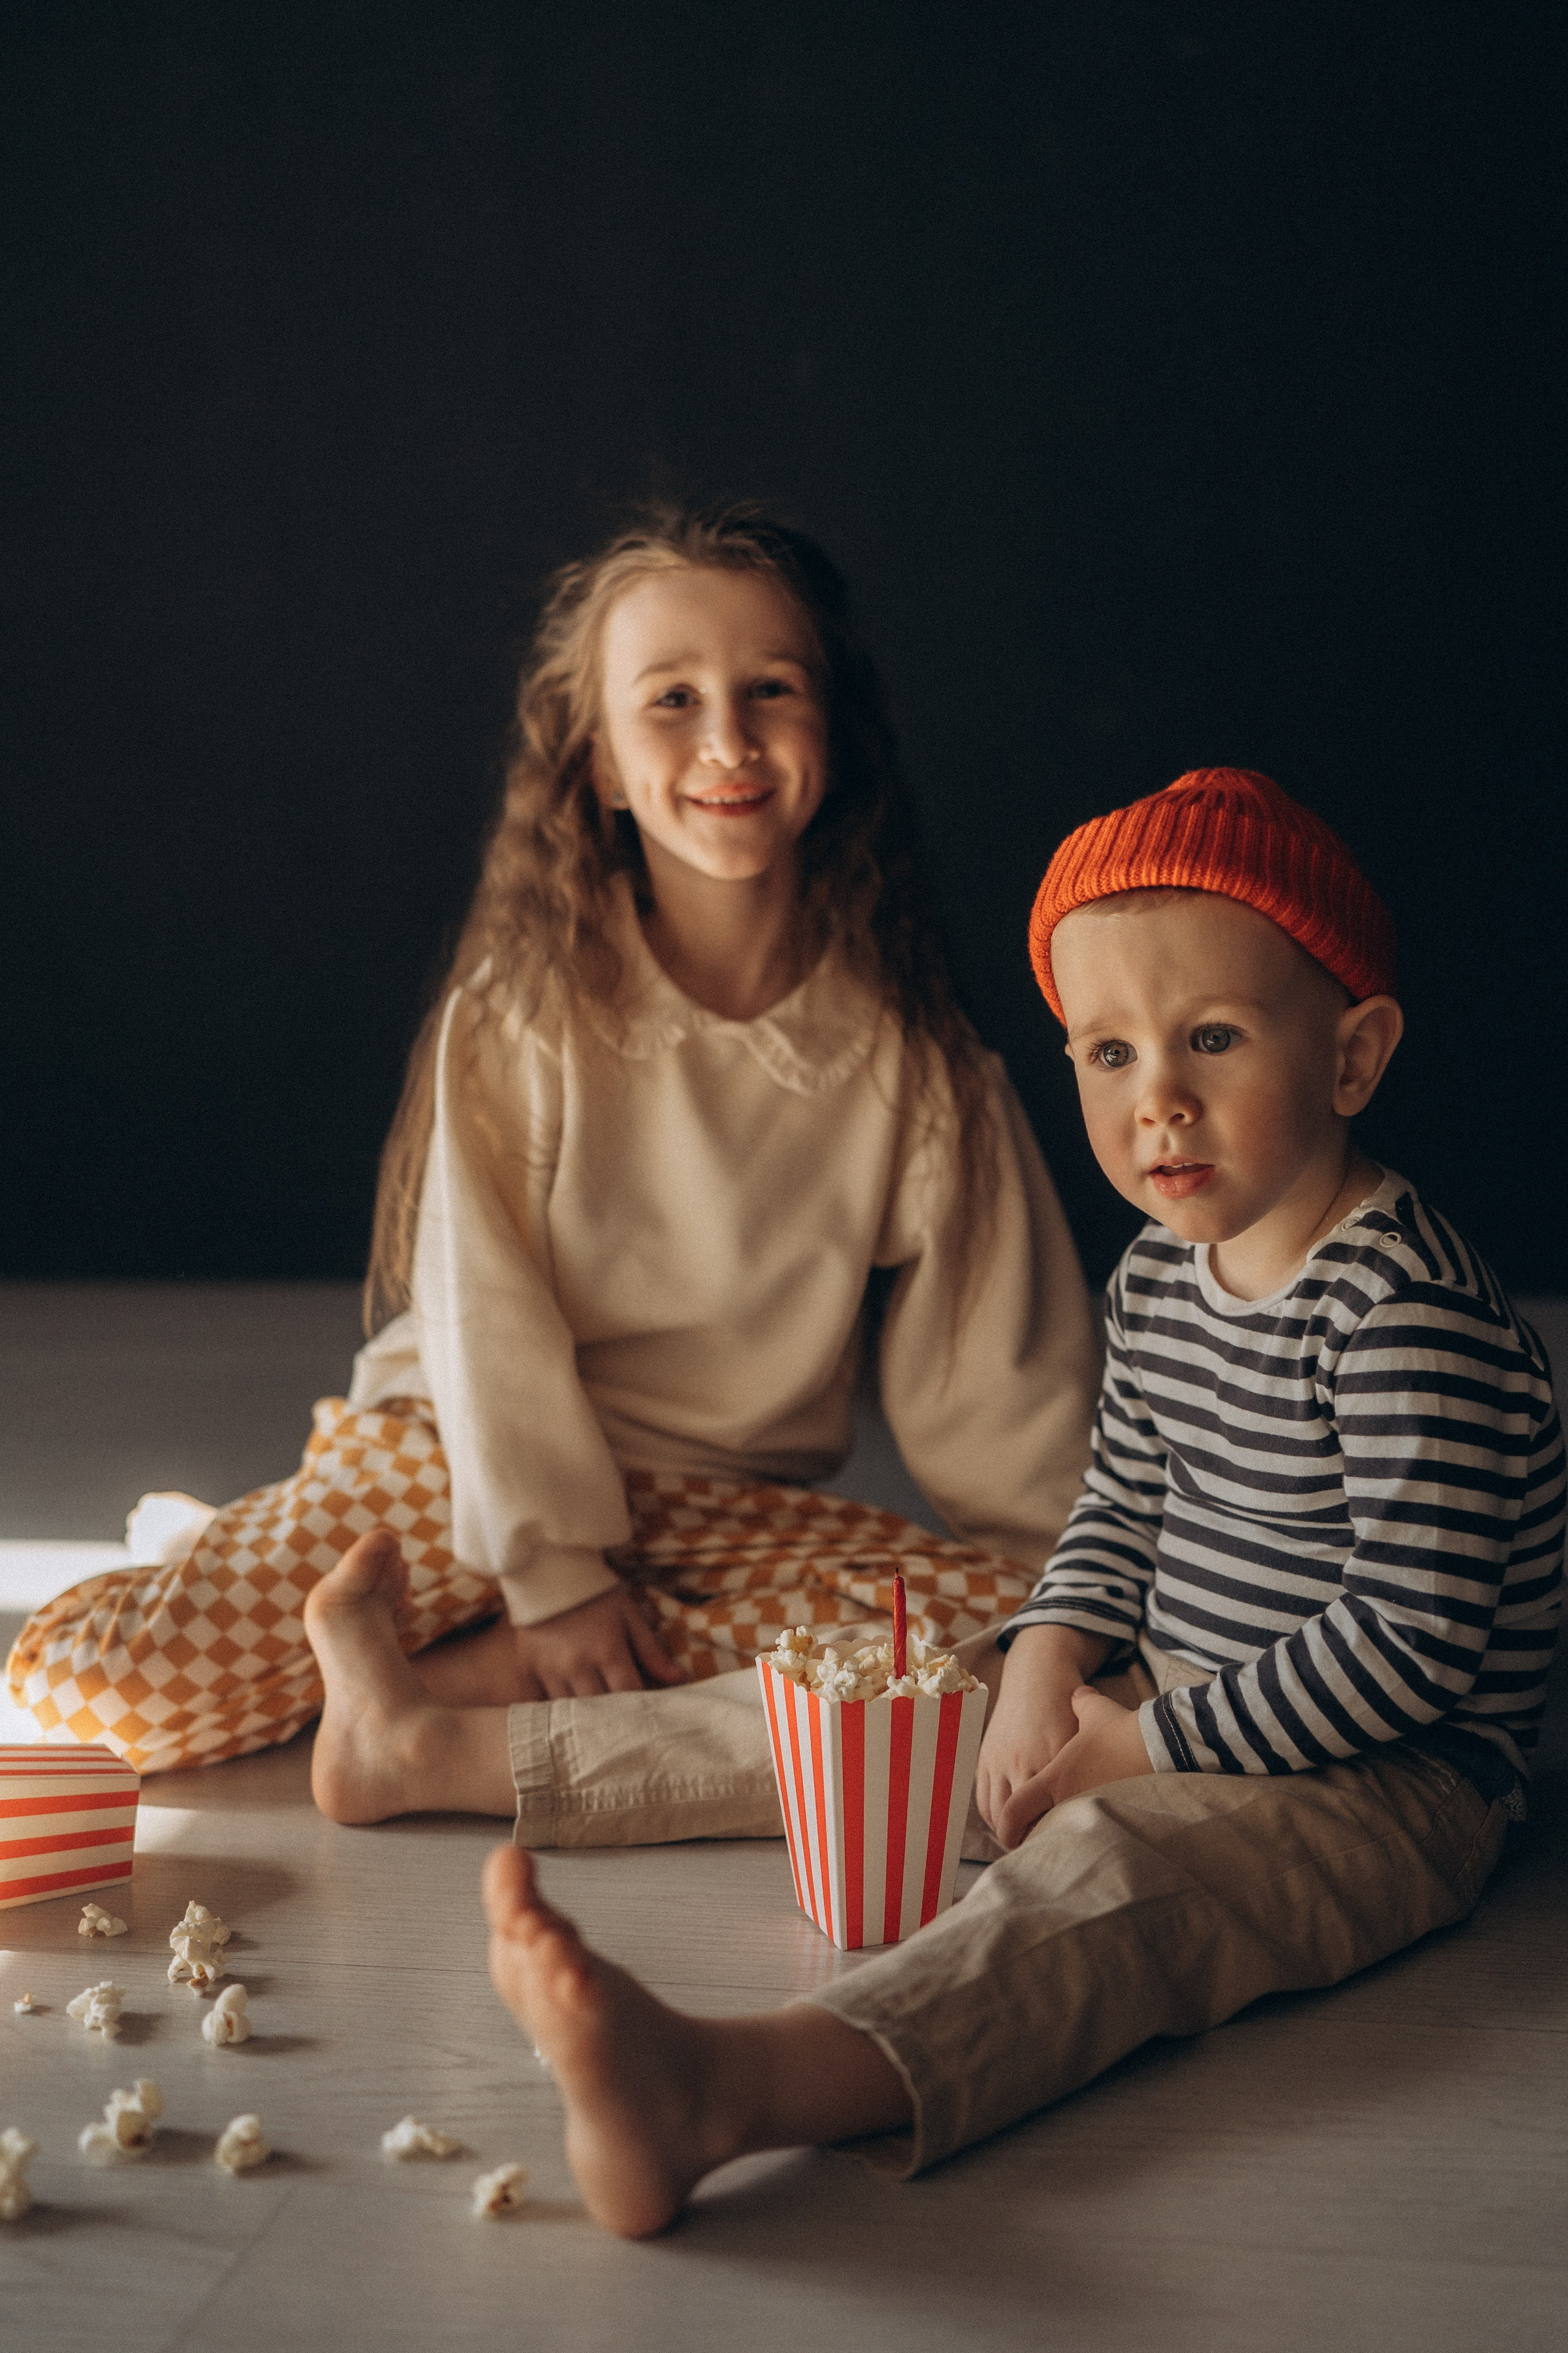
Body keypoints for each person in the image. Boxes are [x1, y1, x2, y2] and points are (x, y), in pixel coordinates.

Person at [467, 766, 1564, 2237]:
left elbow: (1411, 1641)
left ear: (1352, 1056)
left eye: (1212, 1039)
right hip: (1166, 1687)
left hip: (1380, 1773)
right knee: (888, 1690)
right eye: (1104, 1053)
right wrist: (1048, 1655)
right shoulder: (1168, 1269)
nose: (1154, 1099)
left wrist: (1147, 1746)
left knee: (1113, 1892)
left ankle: (734, 2087)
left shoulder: (1396, 1311)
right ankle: (445, 1754)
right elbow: (1118, 1498)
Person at [6, 504, 1099, 1790]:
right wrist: (550, 1570)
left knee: (995, 1648)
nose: (729, 740)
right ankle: (321, 1578)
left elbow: (1006, 1395)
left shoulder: (919, 1069)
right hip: (466, 1457)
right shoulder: (532, 1008)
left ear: (836, 735)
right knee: (92, 1696)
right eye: (672, 701)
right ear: (597, 765)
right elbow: (481, 1312)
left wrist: (1064, 1599)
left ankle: (435, 1692)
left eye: (770, 690)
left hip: (713, 1518)